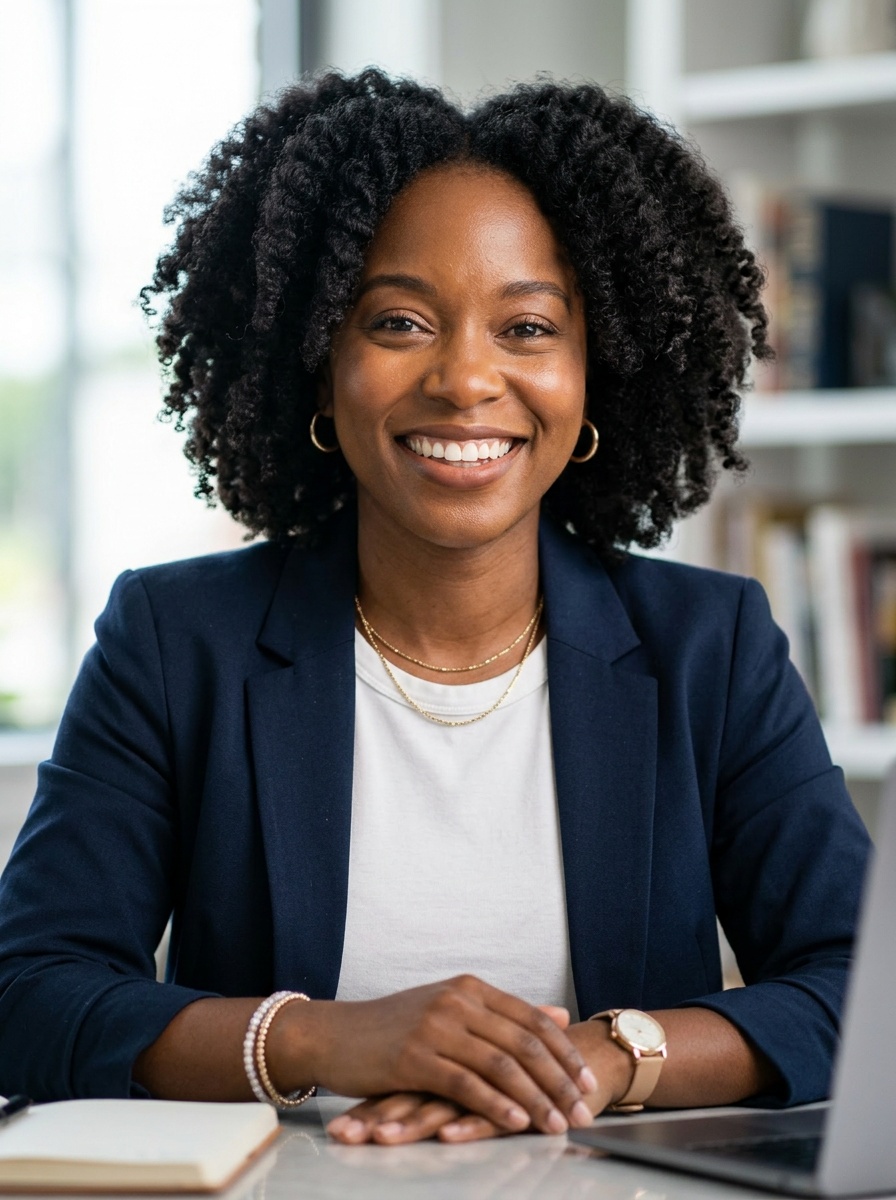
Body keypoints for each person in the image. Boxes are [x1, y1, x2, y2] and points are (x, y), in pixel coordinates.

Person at [0, 70, 870, 1146]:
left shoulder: (711, 647)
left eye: (527, 327)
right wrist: (321, 1039)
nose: (465, 380)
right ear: (319, 365)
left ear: (594, 373)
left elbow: (857, 986)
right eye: (400, 321)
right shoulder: (176, 642)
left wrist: (594, 1061)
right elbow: (32, 994)